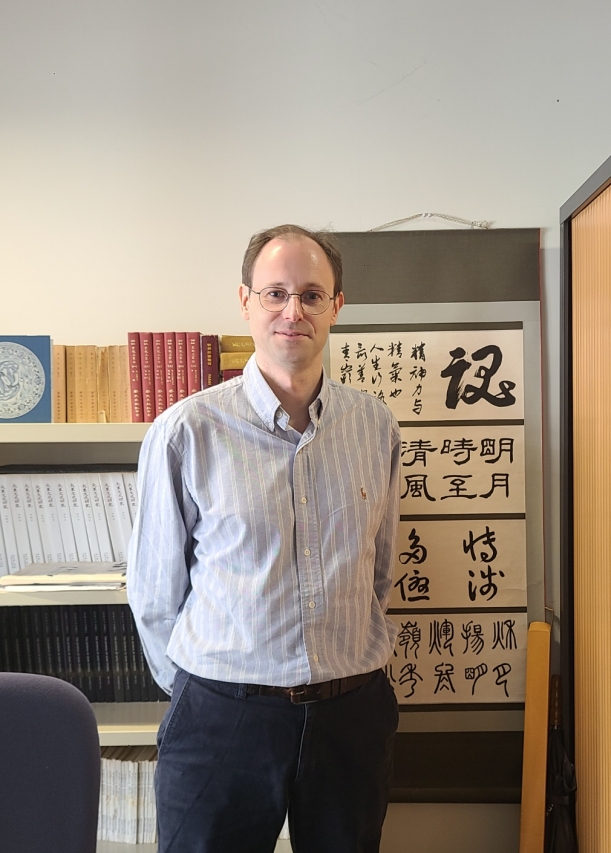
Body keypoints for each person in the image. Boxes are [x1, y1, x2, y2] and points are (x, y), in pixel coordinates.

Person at [128, 224, 401, 853]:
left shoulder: (374, 426)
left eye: (311, 294)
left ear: (337, 306)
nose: (292, 311)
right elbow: (153, 595)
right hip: (223, 715)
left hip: (350, 712)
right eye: (275, 293)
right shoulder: (185, 432)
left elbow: (377, 574)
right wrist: (210, 688)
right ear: (246, 301)